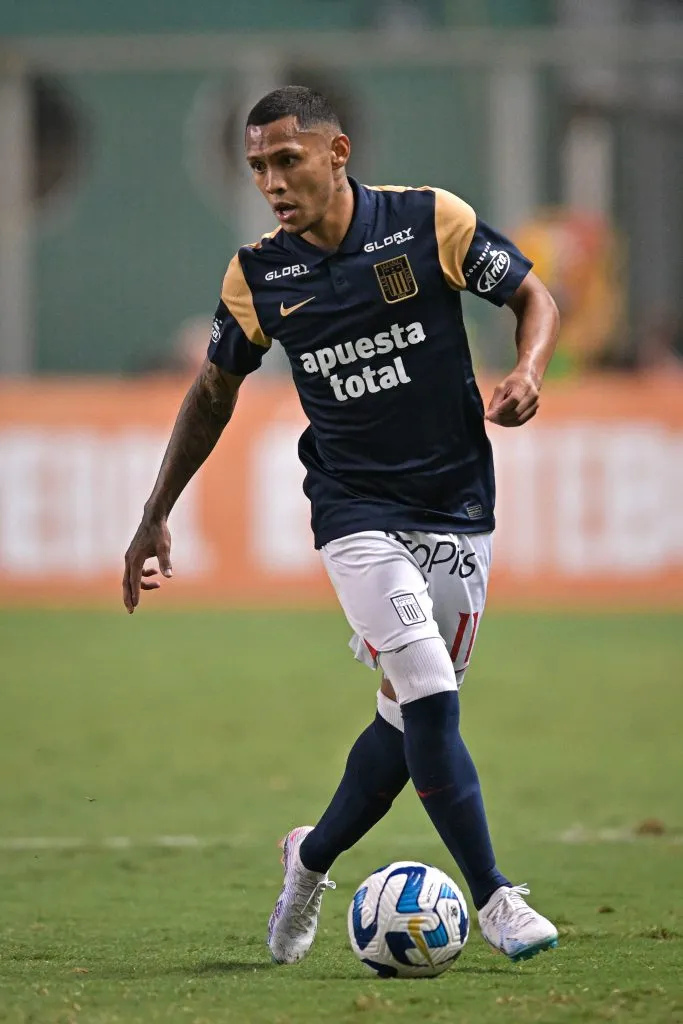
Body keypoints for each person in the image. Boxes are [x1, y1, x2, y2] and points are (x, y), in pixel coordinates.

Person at [122, 86, 560, 967]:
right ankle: (495, 896)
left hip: (458, 505)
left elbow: (531, 295)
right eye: (257, 168)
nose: (272, 183)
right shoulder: (257, 276)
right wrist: (153, 513)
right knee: (431, 688)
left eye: (287, 160)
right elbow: (213, 393)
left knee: (407, 729)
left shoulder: (427, 222)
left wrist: (529, 369)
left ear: (337, 152)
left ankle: (308, 857)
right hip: (353, 512)